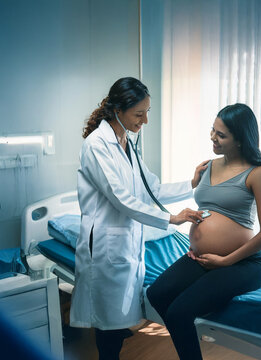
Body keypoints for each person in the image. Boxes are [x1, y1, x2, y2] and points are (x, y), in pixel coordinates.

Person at [70, 77, 208, 360]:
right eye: (138, 113)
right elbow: (121, 198)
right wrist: (171, 218)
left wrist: (190, 184)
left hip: (126, 242)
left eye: (147, 112)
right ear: (118, 110)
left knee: (116, 320)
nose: (144, 120)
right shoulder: (97, 145)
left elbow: (150, 188)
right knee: (108, 326)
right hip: (105, 245)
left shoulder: (128, 143)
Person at [146, 103, 261, 360]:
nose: (212, 138)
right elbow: (208, 205)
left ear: (240, 140)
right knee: (156, 294)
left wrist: (225, 260)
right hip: (203, 259)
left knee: (178, 312)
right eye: (212, 130)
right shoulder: (209, 166)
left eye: (221, 134)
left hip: (243, 263)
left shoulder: (258, 173)